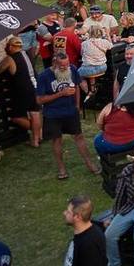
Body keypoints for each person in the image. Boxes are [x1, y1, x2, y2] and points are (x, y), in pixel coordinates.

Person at [36, 51, 99, 180]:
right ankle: (61, 168)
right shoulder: (44, 76)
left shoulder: (72, 69)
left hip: (71, 111)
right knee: (57, 140)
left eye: (67, 64)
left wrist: (77, 105)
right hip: (53, 114)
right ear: (54, 63)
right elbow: (40, 100)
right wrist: (61, 94)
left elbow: (76, 87)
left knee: (79, 137)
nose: (66, 68)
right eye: (62, 66)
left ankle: (90, 163)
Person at [0, 36, 41, 147]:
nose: (5, 49)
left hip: (22, 90)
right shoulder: (27, 54)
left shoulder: (10, 58)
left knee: (16, 117)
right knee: (35, 113)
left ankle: (37, 132)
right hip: (35, 86)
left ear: (11, 47)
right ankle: (36, 140)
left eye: (7, 47)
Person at [63, 194, 107, 266]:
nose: (64, 213)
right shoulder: (88, 230)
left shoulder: (88, 245)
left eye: (68, 212)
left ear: (78, 217)